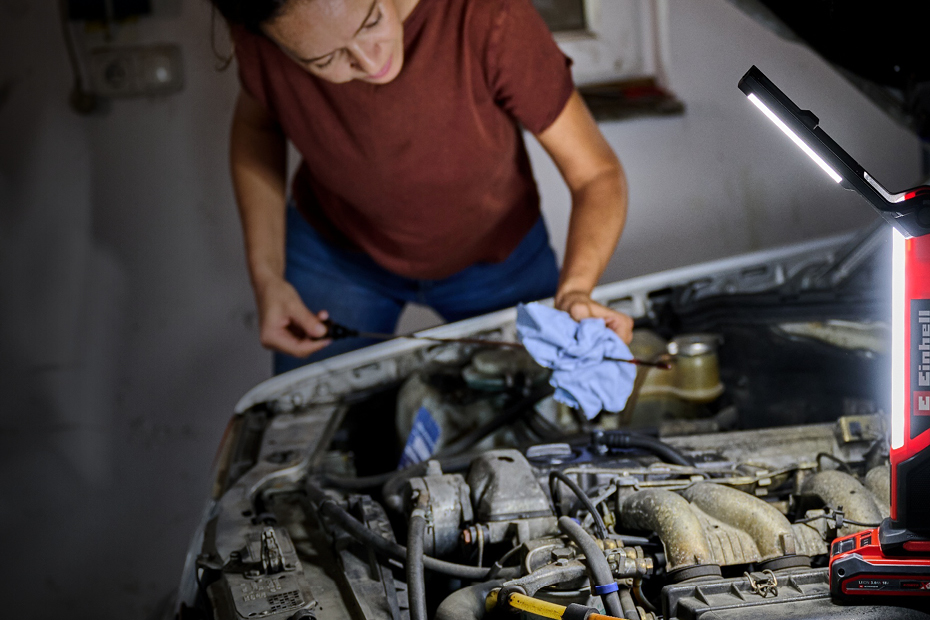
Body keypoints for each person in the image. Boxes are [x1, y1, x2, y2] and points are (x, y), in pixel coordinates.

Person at [213, 0, 634, 374]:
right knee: (313, 421)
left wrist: (577, 288)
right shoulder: (261, 38)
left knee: (543, 408)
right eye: (327, 59)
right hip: (336, 253)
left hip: (495, 255)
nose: (370, 60)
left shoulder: (489, 16)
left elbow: (597, 175)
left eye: (371, 20)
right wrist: (267, 277)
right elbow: (256, 126)